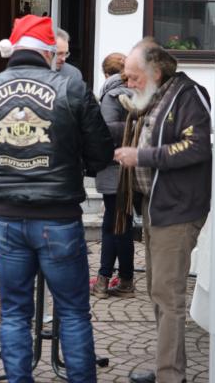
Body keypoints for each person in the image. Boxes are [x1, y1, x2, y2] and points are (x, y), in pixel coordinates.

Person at [0, 15, 113, 382]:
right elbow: (101, 153)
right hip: (59, 217)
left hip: (7, 217)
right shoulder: (72, 88)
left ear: (14, 50)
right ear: (47, 52)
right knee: (73, 312)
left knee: (14, 313)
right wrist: (74, 163)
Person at [113, 38, 212, 383]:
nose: (128, 83)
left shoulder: (188, 96)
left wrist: (141, 156)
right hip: (157, 206)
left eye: (133, 76)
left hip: (178, 210)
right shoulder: (156, 97)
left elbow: (197, 147)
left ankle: (171, 375)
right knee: (157, 290)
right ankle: (167, 369)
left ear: (156, 72)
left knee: (168, 296)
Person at [90, 52, 136, 299]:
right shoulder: (138, 91)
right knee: (123, 224)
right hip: (133, 168)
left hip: (114, 168)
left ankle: (105, 280)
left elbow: (107, 134)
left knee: (113, 226)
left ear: (106, 74)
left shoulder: (111, 95)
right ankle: (125, 279)